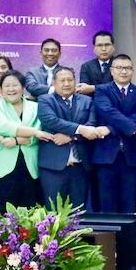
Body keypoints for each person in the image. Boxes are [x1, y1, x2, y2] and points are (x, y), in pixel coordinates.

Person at [92, 54, 136, 213]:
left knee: (129, 205)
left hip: (130, 156)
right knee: (106, 204)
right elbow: (109, 113)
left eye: (127, 68)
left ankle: (127, 231)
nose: (123, 71)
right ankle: (109, 231)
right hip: (106, 156)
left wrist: (109, 129)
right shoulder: (102, 90)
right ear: (112, 71)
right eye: (119, 68)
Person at [0, 71, 52, 210]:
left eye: (15, 85)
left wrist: (17, 140)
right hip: (0, 166)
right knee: (1, 213)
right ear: (1, 89)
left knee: (29, 212)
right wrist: (34, 133)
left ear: (23, 87)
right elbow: (1, 126)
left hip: (29, 166)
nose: (11, 89)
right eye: (6, 86)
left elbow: (42, 131)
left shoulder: (35, 107)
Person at [37, 67, 104, 208]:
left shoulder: (87, 101)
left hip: (80, 166)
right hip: (53, 167)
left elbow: (91, 126)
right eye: (62, 80)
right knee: (53, 212)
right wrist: (80, 129)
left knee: (79, 212)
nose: (67, 84)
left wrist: (71, 137)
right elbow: (51, 121)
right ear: (54, 83)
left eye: (70, 80)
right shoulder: (45, 100)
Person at [77, 30, 116, 96]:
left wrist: (93, 88)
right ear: (94, 48)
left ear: (113, 47)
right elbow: (84, 90)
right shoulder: (86, 66)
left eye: (107, 45)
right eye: (99, 45)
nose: (104, 49)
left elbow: (118, 87)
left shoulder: (120, 64)